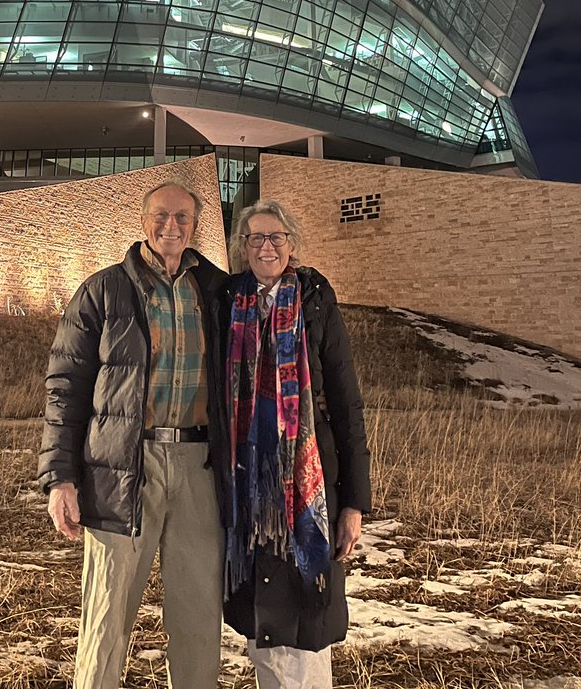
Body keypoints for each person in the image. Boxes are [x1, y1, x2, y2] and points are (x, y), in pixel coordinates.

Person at [37, 180, 229, 689]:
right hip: (123, 467)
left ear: (196, 225)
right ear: (143, 222)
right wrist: (60, 476)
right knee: (107, 612)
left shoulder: (215, 290)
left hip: (199, 464)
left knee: (198, 613)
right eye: (161, 216)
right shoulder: (102, 291)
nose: (172, 226)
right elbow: (65, 387)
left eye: (183, 218)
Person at [214, 198, 371, 689]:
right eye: (255, 238)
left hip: (307, 486)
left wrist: (355, 503)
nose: (266, 247)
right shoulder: (228, 301)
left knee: (306, 624)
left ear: (292, 245)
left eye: (276, 238)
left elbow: (347, 405)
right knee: (265, 620)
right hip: (248, 486)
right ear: (242, 248)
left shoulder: (315, 301)